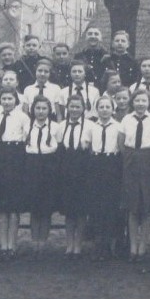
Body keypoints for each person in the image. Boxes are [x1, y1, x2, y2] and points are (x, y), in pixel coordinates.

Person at [118, 88, 150, 261]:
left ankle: (143, 247)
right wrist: (132, 158)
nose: (140, 104)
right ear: (132, 102)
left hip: (149, 162)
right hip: (131, 161)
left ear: (149, 103)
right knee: (132, 207)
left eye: (143, 101)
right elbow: (121, 144)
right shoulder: (126, 119)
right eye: (137, 101)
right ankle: (132, 247)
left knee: (146, 207)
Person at [83, 96, 124, 261]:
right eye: (101, 107)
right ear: (97, 109)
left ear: (113, 109)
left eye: (108, 107)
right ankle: (98, 245)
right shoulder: (91, 127)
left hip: (112, 164)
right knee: (97, 206)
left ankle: (110, 245)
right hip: (96, 164)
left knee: (111, 206)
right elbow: (86, 146)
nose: (105, 110)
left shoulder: (119, 127)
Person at [0, 89, 30, 261]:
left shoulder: (23, 117)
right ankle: (3, 245)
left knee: (13, 207)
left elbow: (27, 140)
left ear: (16, 100)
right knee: (2, 207)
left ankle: (13, 245)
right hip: (1, 156)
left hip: (16, 156)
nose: (7, 102)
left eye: (10, 99)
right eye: (4, 99)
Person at [25, 96, 61, 258]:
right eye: (38, 108)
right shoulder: (27, 126)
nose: (40, 112)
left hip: (48, 166)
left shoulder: (55, 127)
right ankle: (34, 243)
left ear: (49, 110)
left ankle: (43, 244)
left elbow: (59, 149)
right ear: (33, 110)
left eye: (44, 109)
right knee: (34, 207)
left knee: (45, 208)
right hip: (32, 166)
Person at [58, 95, 89, 257]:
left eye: (78, 107)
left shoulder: (89, 127)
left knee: (81, 211)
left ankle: (78, 244)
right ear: (67, 108)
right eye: (72, 107)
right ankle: (69, 243)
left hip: (83, 172)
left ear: (83, 109)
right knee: (69, 211)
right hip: (66, 172)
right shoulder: (61, 126)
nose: (74, 110)